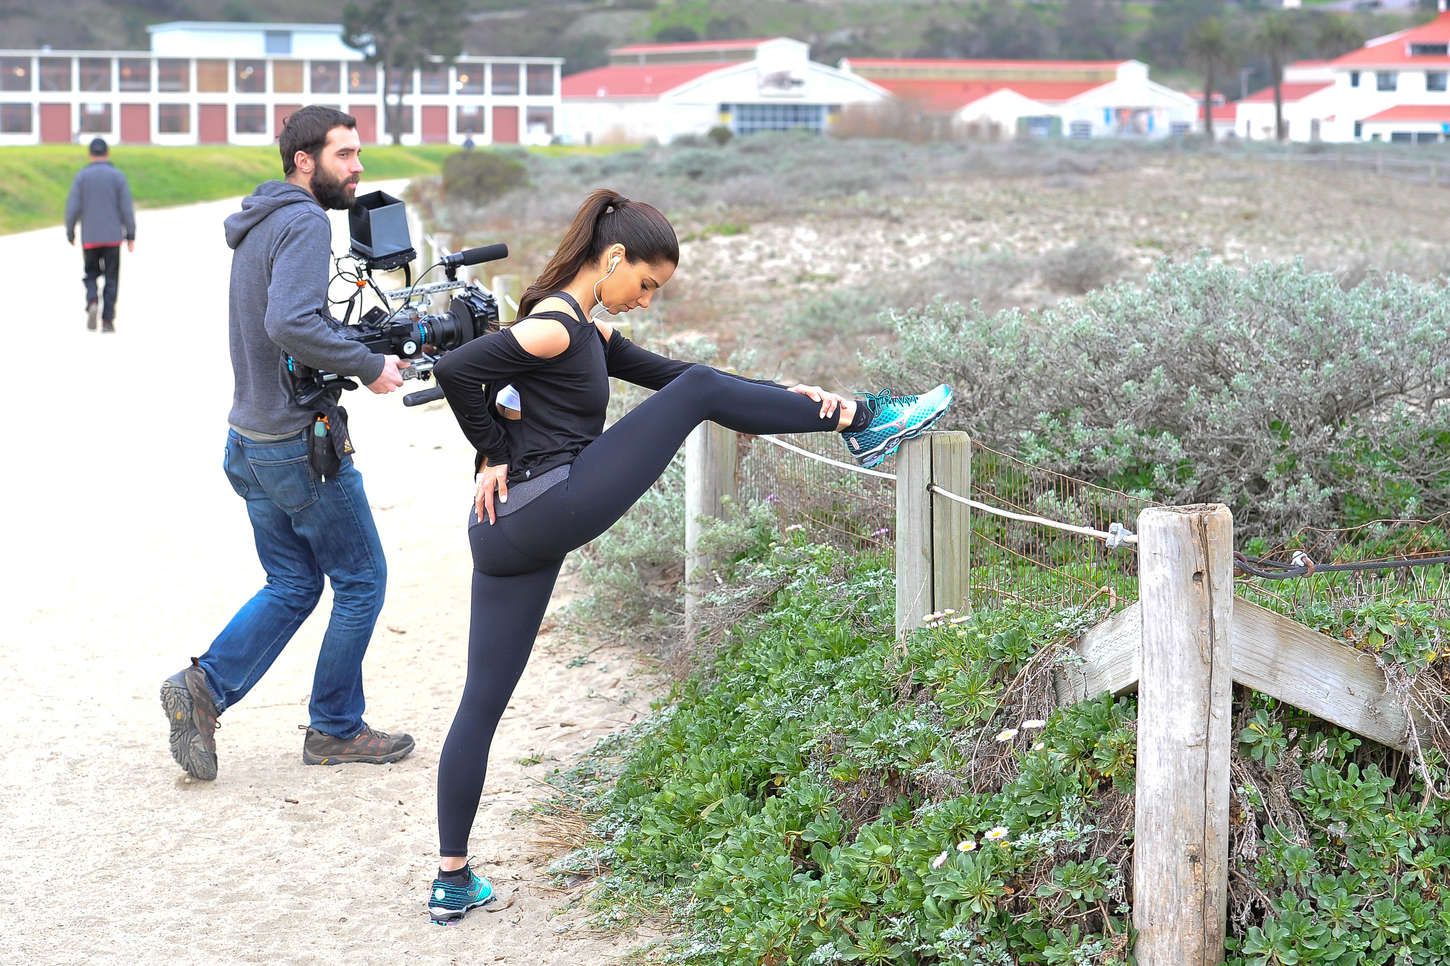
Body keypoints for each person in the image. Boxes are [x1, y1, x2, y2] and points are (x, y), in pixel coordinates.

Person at [423, 188, 953, 923]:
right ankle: (868, 421)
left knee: (481, 702)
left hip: (507, 530)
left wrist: (796, 397)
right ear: (613, 258)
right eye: (645, 284)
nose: (645, 300)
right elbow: (456, 371)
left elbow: (687, 378)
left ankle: (451, 878)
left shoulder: (589, 331)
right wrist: (490, 451)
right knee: (704, 389)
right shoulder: (552, 326)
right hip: (544, 504)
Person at [160, 106, 416, 783]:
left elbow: (292, 326)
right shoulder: (304, 221)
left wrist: (351, 342)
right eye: (344, 154)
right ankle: (335, 728)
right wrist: (369, 365)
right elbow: (290, 322)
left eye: (357, 153)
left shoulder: (262, 219)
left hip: (250, 438)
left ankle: (202, 689)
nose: (358, 167)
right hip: (298, 446)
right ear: (305, 161)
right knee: (361, 580)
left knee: (295, 582)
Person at [65, 137, 135, 332]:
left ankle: (92, 300)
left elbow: (72, 208)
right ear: (107, 153)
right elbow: (126, 209)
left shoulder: (82, 177)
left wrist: (70, 231)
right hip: (113, 238)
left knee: (90, 273)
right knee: (111, 278)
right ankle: (107, 321)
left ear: (90, 154)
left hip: (90, 238)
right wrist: (130, 234)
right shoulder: (118, 177)